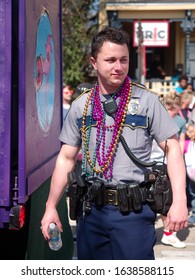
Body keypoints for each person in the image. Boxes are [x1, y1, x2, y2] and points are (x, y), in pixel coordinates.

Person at [41, 27, 188, 260]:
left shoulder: (147, 101)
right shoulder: (81, 106)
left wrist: (180, 200)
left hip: (134, 215)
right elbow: (66, 159)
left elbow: (173, 149)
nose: (118, 67)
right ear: (94, 62)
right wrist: (50, 207)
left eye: (123, 60)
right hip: (92, 214)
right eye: (110, 60)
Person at [151, 93, 186, 248]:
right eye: (174, 111)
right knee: (159, 201)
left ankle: (168, 233)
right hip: (153, 166)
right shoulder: (155, 119)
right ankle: (165, 234)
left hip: (163, 165)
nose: (175, 115)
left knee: (165, 201)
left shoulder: (169, 122)